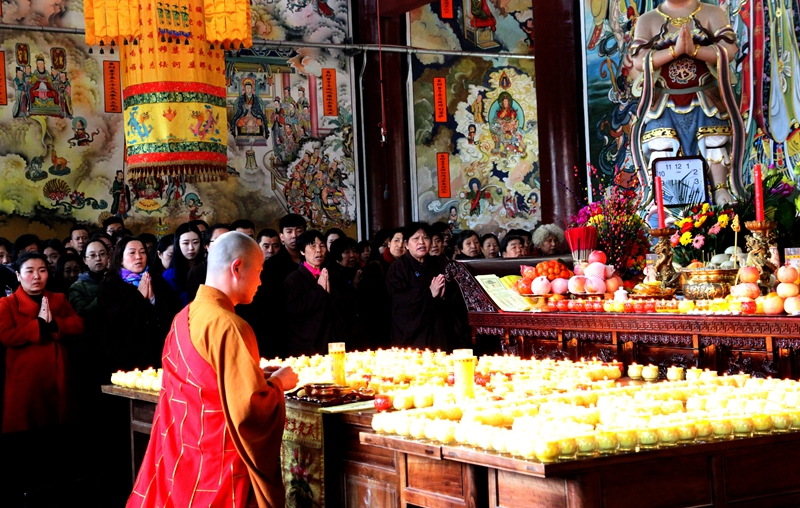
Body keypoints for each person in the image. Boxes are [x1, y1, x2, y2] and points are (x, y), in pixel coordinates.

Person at [127, 232, 297, 508]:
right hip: (221, 461)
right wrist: (278, 383)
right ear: (237, 267)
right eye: (258, 271)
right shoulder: (230, 325)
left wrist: (254, 375)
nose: (260, 281)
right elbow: (250, 410)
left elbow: (204, 383)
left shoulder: (186, 315)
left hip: (186, 452)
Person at [630, 0, 743, 205]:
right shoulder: (648, 20)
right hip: (664, 99)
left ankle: (720, 189)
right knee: (661, 145)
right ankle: (667, 200)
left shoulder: (712, 13)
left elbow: (730, 51)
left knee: (714, 142)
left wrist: (694, 51)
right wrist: (675, 51)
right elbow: (639, 61)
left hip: (704, 95)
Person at [0, 252, 84, 432]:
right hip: (25, 379)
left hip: (58, 373)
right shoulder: (7, 304)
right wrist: (38, 324)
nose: (37, 276)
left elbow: (78, 325)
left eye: (42, 270)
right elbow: (5, 335)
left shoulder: (58, 299)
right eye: (29, 271)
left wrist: (54, 324)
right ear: (18, 275)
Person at [97, 237, 181, 372]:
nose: (138, 257)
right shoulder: (109, 286)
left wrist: (153, 299)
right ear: (120, 259)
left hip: (158, 350)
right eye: (132, 253)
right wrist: (139, 296)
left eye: (142, 252)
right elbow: (113, 319)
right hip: (127, 354)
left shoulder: (158, 281)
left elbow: (174, 311)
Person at [237, 214, 306, 358]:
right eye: (289, 231)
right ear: (282, 237)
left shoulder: (312, 261)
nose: (294, 236)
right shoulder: (271, 267)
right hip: (282, 330)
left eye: (298, 231)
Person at [386, 223, 449, 350]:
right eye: (416, 239)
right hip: (412, 333)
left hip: (438, 329)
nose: (421, 242)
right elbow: (399, 300)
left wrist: (444, 295)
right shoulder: (398, 267)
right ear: (406, 244)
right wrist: (429, 293)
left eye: (425, 238)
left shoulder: (440, 264)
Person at [284, 231, 340, 356]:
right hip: (307, 344)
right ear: (302, 251)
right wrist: (320, 290)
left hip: (331, 340)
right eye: (312, 246)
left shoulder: (332, 274)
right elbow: (294, 309)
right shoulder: (293, 279)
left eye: (322, 245)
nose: (319, 250)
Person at [358, 228, 405, 348]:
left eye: (404, 241)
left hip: (404, 324)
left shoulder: (408, 266)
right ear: (389, 243)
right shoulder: (375, 267)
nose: (400, 245)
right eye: (396, 240)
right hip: (382, 326)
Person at [186, 223, 231, 302]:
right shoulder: (197, 272)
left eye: (228, 240)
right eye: (218, 240)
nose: (224, 245)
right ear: (207, 246)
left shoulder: (241, 267)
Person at [163, 223, 205, 305]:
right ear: (178, 244)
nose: (191, 248)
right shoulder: (170, 275)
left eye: (195, 242)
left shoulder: (208, 268)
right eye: (186, 243)